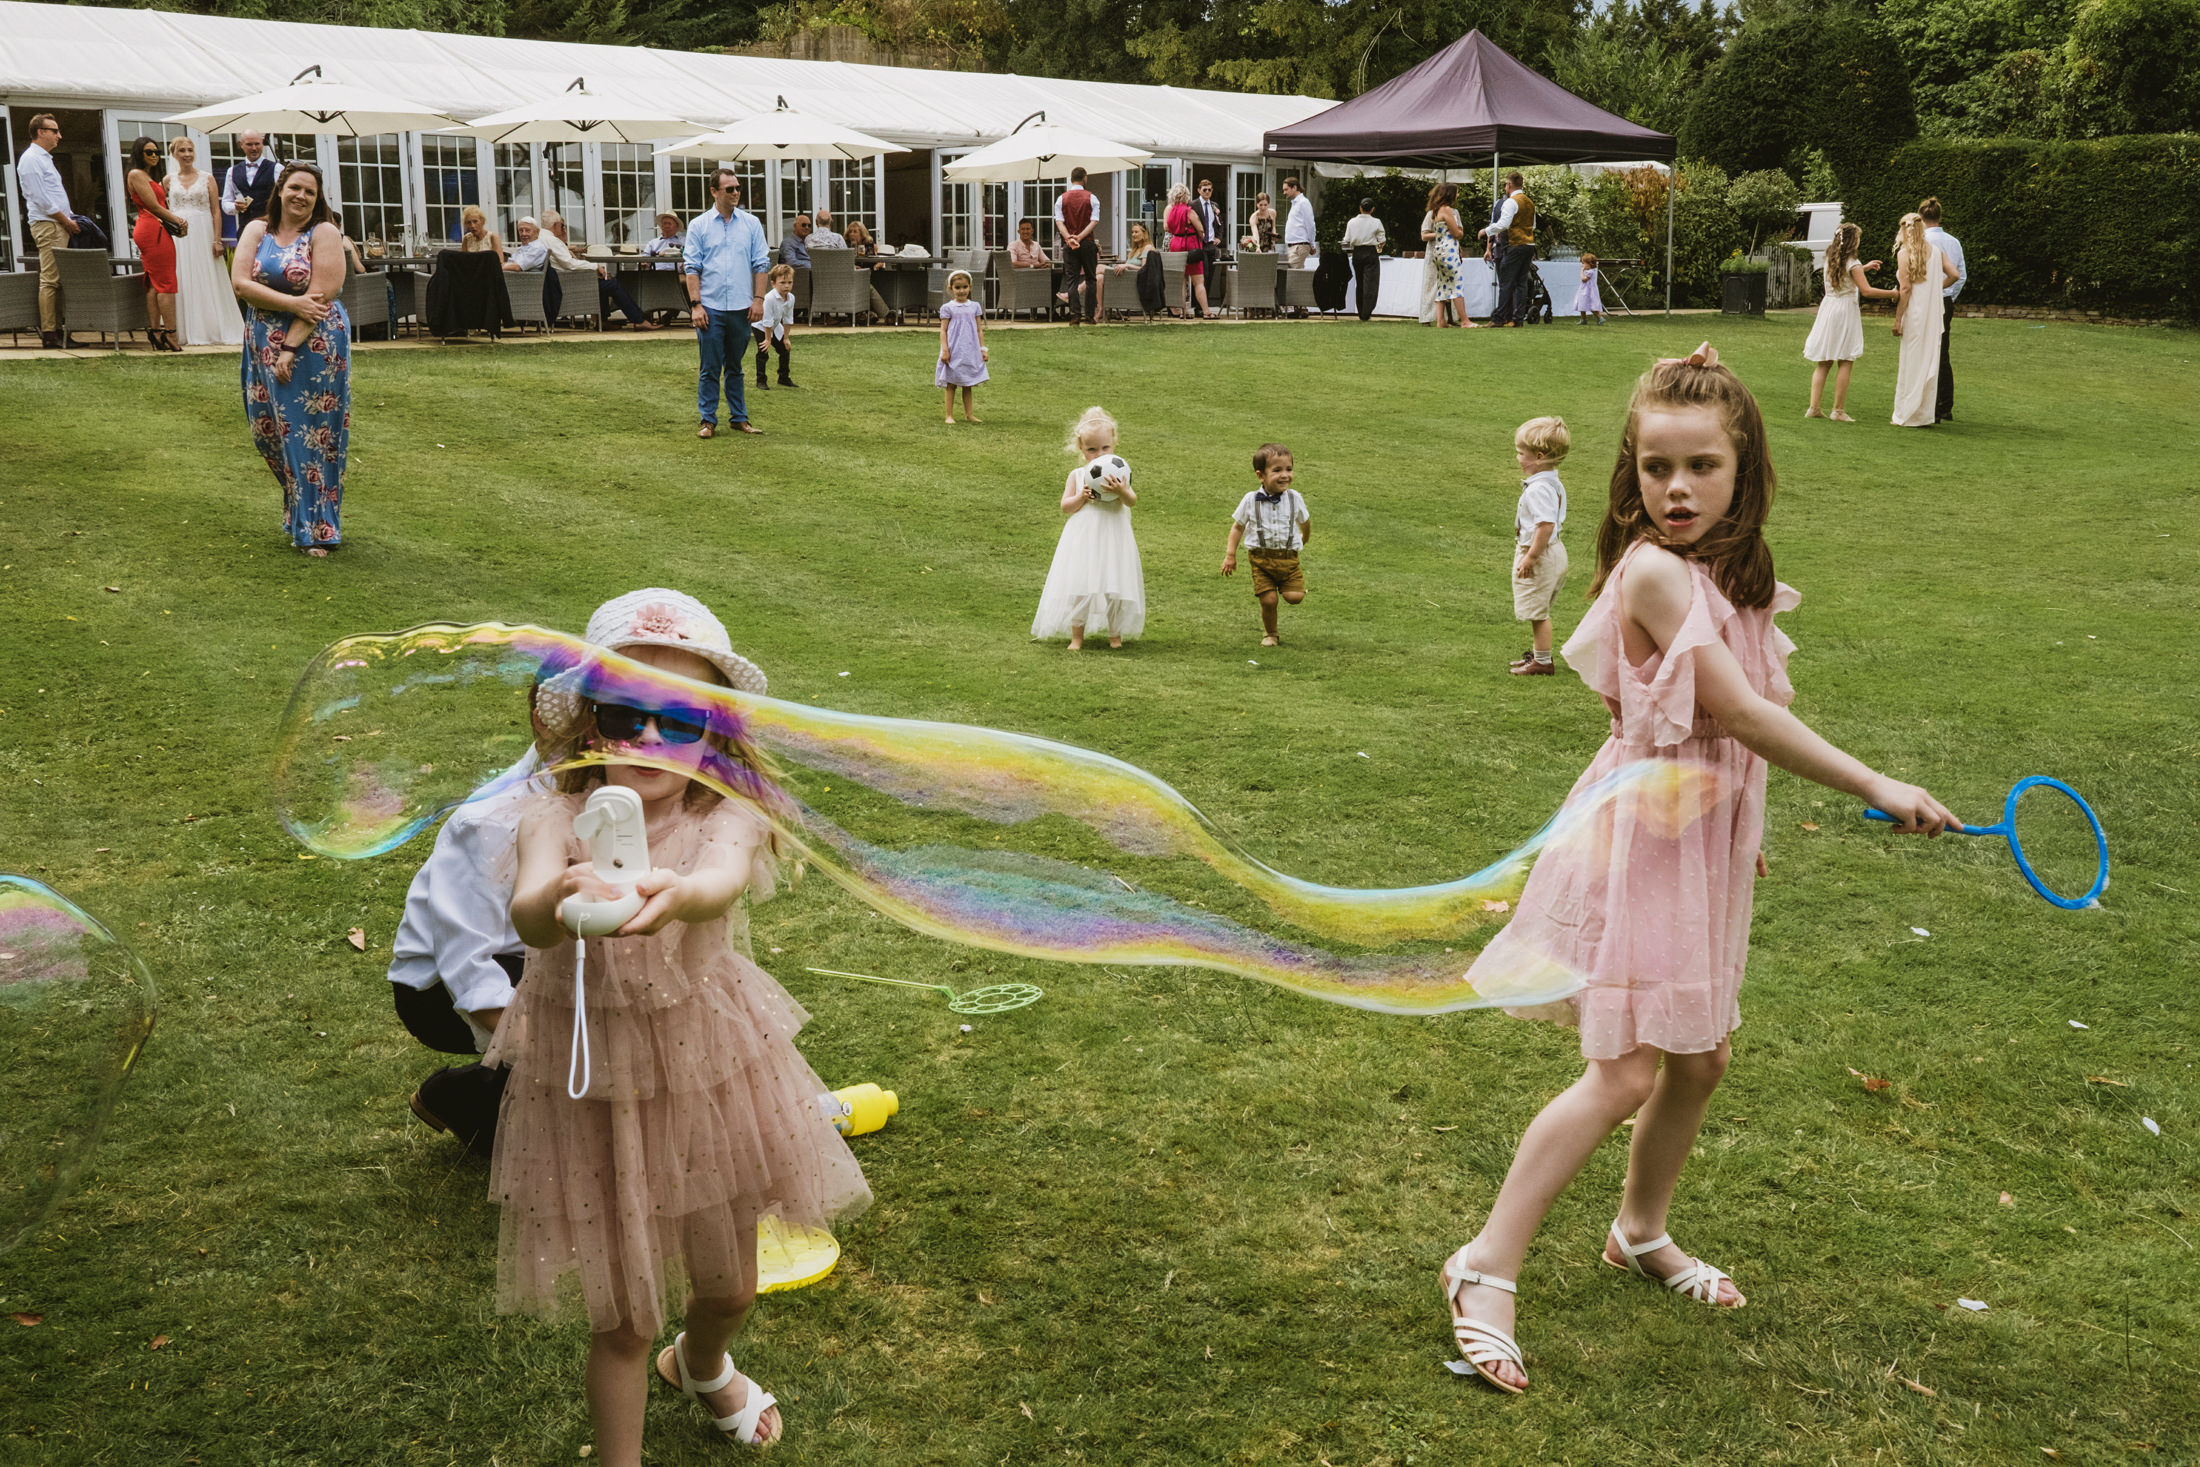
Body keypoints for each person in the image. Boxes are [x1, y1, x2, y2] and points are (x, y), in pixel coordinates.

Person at [1439, 343, 1960, 1397]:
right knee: (1624, 1070)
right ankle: (1481, 1266)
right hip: (1643, 843)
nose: (1673, 490)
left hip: (1700, 840)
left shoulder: (1732, 573)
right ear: (1629, 473)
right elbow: (1736, 712)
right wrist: (1875, 783)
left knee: (1702, 1056)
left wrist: (1733, 819)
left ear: (1745, 471)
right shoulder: (1652, 571)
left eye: (1700, 468)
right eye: (1653, 468)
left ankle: (1637, 1231)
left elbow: (1693, 720)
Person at [494, 588, 870, 1458]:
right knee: (622, 1316)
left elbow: (722, 880)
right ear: (590, 722)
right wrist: (557, 897)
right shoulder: (555, 813)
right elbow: (527, 911)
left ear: (714, 728)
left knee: (730, 1286)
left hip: (705, 1061)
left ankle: (701, 1365)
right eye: (628, 714)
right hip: (593, 1078)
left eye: (680, 718)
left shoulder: (721, 814)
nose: (653, 739)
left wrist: (675, 896)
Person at [391, 748, 548, 1156]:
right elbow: (470, 968)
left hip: (532, 957)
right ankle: (472, 1093)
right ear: (545, 720)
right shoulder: (489, 822)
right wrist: (564, 1056)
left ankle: (484, 1097)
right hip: (439, 990)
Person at [231, 162, 351, 557]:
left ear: (317, 200)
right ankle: (299, 510)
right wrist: (288, 302)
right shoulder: (256, 229)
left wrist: (290, 346)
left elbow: (321, 295)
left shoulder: (324, 232)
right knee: (268, 432)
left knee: (310, 434)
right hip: (262, 340)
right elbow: (240, 283)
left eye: (310, 192)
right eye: (295, 188)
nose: (301, 196)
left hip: (312, 343)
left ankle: (319, 527)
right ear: (280, 189)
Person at [1033, 406, 1144, 651]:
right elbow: (1065, 506)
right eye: (1091, 449)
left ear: (1113, 444)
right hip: (1084, 539)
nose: (1098, 454)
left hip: (1113, 536)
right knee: (1080, 587)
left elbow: (1131, 501)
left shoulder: (1119, 473)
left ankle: (1115, 636)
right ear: (1081, 449)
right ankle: (1077, 637)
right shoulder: (1077, 475)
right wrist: (1081, 498)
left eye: (1104, 448)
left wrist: (1120, 491)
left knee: (1114, 587)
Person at [684, 168, 771, 440]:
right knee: (710, 367)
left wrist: (758, 300)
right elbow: (691, 268)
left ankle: (739, 418)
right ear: (714, 191)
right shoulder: (699, 225)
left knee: (735, 366)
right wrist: (696, 305)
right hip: (710, 307)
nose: (735, 193)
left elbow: (761, 264)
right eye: (729, 189)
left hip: (741, 307)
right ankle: (707, 420)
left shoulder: (751, 224)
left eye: (738, 188)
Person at [1222, 442, 1311, 648]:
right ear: (1260, 476)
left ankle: (1287, 587)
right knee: (1269, 600)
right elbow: (1237, 527)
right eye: (1277, 470)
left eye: (1289, 469)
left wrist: (1303, 539)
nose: (1285, 475)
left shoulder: (1294, 498)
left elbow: (1305, 522)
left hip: (1289, 558)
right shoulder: (1250, 500)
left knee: (1294, 597)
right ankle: (1271, 634)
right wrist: (1230, 555)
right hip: (1260, 558)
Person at [1802, 224, 1895, 422]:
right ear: (1854, 241)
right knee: (1845, 359)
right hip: (1844, 310)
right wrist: (1894, 293)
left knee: (1824, 362)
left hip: (1828, 309)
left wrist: (1864, 268)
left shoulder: (1830, 259)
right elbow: (1867, 291)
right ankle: (1838, 410)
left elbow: (1845, 277)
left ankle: (1814, 407)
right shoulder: (1852, 261)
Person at [1506, 417, 1571, 677]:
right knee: (1537, 607)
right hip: (1552, 551)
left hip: (1541, 553)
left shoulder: (1538, 489)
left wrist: (1530, 557)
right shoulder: (1551, 481)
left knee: (1538, 611)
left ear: (1539, 456)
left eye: (1522, 453)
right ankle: (1538, 655)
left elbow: (1545, 525)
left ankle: (1543, 662)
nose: (1518, 458)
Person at [165, 135, 243, 349]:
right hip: (179, 236)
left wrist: (216, 239)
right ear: (174, 154)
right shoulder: (168, 180)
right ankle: (184, 329)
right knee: (183, 276)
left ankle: (212, 327)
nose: (187, 154)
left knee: (206, 275)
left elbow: (216, 211)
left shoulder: (207, 178)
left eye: (190, 150)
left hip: (203, 230)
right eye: (182, 150)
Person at [16, 113, 82, 348]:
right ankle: (50, 334)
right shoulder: (31, 159)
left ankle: (59, 330)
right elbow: (40, 198)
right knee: (51, 279)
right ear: (41, 132)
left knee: (58, 279)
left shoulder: (44, 159)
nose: (59, 136)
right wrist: (65, 220)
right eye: (54, 131)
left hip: (58, 223)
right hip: (50, 225)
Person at [539, 209, 659, 330]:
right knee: (612, 284)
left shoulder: (541, 238)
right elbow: (570, 264)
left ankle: (603, 321)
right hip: (568, 284)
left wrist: (565, 244)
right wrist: (595, 266)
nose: (563, 228)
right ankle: (639, 320)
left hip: (560, 282)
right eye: (561, 225)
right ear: (556, 225)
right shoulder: (552, 240)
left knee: (603, 282)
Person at [1890, 212, 1957, 428]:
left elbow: (1906, 289)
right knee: (1929, 360)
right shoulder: (1936, 251)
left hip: (1915, 313)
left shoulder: (1904, 254)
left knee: (1912, 361)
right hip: (1932, 313)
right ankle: (1924, 414)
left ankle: (1906, 414)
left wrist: (1898, 319)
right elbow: (1955, 274)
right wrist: (1935, 288)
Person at [125, 135, 187, 353]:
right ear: (139, 154)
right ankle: (170, 333)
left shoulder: (147, 175)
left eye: (156, 152)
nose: (154, 156)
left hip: (153, 227)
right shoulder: (136, 174)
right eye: (148, 152)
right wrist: (179, 220)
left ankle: (156, 332)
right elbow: (154, 206)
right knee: (166, 283)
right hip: (152, 229)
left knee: (153, 283)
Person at [1920, 197, 1965, 423]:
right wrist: (1949, 297)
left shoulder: (1921, 241)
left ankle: (1932, 406)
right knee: (1943, 351)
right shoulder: (1953, 242)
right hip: (1946, 300)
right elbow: (1961, 275)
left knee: (1927, 352)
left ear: (1921, 217)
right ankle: (1945, 405)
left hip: (1927, 300)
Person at [1480, 170, 1537, 327]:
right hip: (1529, 245)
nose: (1505, 187)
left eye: (1506, 184)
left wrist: (1486, 231)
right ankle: (1518, 318)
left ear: (1509, 185)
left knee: (1506, 281)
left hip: (1514, 245)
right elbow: (1533, 226)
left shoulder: (1511, 202)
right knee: (1521, 282)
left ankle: (1499, 318)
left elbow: (1504, 224)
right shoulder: (1529, 202)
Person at [936, 268, 988, 424]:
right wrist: (945, 350)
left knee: (968, 383)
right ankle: (949, 415)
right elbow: (943, 330)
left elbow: (979, 329)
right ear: (951, 288)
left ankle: (969, 414)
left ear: (970, 287)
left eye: (965, 287)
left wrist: (982, 349)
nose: (961, 291)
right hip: (954, 348)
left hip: (969, 349)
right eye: (957, 287)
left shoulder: (975, 307)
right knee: (951, 383)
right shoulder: (948, 308)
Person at [222, 132, 282, 250]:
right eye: (249, 144)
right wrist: (235, 207)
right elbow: (225, 202)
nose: (254, 148)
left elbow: (284, 200)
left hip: (271, 229)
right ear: (241, 145)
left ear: (262, 143)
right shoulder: (232, 171)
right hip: (245, 229)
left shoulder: (277, 169)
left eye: (257, 144)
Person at [1056, 167, 1100, 324]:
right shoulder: (1092, 198)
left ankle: (1075, 315)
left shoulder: (1061, 199)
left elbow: (1059, 222)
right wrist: (1080, 237)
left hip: (1070, 244)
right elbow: (1094, 221)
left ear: (1071, 179)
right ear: (1085, 178)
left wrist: (1069, 238)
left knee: (1072, 280)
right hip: (1087, 243)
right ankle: (1089, 315)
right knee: (1091, 278)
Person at [1425, 182, 1472, 330]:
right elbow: (1457, 233)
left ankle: (1441, 321)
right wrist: (1460, 232)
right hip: (1449, 250)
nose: (1458, 195)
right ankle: (1465, 320)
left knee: (1442, 285)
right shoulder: (1447, 210)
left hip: (1438, 251)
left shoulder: (1436, 210)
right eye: (1456, 192)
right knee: (1456, 284)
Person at [1163, 184, 1209, 319]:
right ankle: (1206, 312)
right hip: (1191, 245)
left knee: (1181, 281)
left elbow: (1168, 228)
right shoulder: (1189, 211)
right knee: (1198, 281)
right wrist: (1202, 238)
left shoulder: (1170, 211)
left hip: (1175, 244)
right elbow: (1200, 229)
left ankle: (1182, 311)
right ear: (1186, 196)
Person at [1101, 220, 1159, 319]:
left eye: (1136, 232)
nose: (1133, 234)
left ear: (1144, 233)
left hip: (1133, 282)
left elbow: (1144, 269)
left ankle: (1078, 290)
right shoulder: (1134, 250)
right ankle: (1100, 310)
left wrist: (1126, 266)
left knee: (1099, 267)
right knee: (1099, 278)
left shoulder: (1148, 248)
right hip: (1124, 278)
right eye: (1132, 232)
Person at [754, 262, 797, 391]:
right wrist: (768, 339)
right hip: (761, 326)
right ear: (773, 283)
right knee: (763, 351)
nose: (787, 286)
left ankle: (783, 378)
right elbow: (767, 321)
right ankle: (761, 380)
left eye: (789, 282)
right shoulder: (769, 298)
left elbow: (788, 319)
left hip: (775, 325)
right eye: (782, 283)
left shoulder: (791, 298)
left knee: (785, 349)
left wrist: (786, 338)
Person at [1342, 197, 1385, 322]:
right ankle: (1366, 312)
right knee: (1370, 283)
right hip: (1370, 252)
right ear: (1372, 209)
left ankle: (1361, 311)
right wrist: (1379, 245)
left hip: (1357, 252)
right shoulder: (1376, 222)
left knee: (1360, 283)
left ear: (1360, 208)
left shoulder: (1351, 222)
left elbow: (1346, 240)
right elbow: (1382, 240)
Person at [843, 220, 894, 320]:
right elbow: (843, 263)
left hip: (869, 277)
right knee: (866, 286)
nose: (852, 234)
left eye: (855, 231)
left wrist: (878, 263)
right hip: (850, 279)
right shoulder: (846, 246)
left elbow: (880, 260)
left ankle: (866, 314)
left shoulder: (869, 246)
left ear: (862, 234)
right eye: (850, 232)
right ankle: (886, 315)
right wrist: (853, 267)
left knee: (869, 284)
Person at [1193, 177, 1227, 311]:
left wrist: (1219, 237)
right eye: (1204, 190)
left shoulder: (1215, 205)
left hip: (1211, 245)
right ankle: (1198, 307)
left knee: (1211, 275)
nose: (1207, 192)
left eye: (1209, 190)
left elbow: (1220, 224)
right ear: (1199, 191)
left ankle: (1204, 305)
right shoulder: (1194, 205)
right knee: (1202, 276)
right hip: (1200, 244)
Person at [1574, 253, 1607, 325]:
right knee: (1582, 304)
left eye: (1584, 263)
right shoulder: (1588, 271)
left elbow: (1583, 279)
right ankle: (1583, 319)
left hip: (1588, 291)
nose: (1582, 265)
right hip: (1584, 290)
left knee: (1591, 305)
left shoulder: (1590, 272)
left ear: (1589, 264)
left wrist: (1582, 271)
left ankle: (1600, 317)